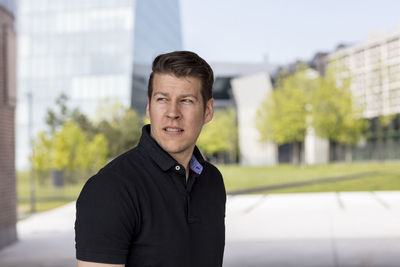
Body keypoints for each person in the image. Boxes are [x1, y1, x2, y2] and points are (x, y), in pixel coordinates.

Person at [75, 51, 226, 267]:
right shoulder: (110, 189)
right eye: (162, 99)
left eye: (186, 100)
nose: (172, 112)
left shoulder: (212, 181)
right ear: (148, 106)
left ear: (208, 110)